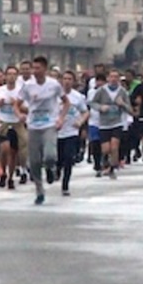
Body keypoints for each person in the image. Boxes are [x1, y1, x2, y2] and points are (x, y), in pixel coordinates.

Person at [16, 56, 66, 204]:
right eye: (34, 68)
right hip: (33, 125)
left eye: (38, 68)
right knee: (35, 162)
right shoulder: (28, 86)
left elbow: (66, 102)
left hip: (49, 124)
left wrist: (61, 118)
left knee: (50, 155)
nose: (35, 71)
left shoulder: (54, 84)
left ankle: (51, 168)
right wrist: (20, 115)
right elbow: (16, 104)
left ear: (45, 69)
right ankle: (39, 190)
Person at [91, 69, 132, 180]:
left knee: (114, 146)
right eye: (111, 77)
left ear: (119, 79)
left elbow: (130, 109)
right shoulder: (101, 90)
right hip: (104, 123)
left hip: (117, 123)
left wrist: (122, 104)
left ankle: (113, 168)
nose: (114, 79)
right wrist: (100, 107)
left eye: (116, 77)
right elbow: (92, 103)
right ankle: (105, 161)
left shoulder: (122, 91)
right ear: (108, 78)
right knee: (106, 149)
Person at [56, 71, 89, 196]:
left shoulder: (78, 97)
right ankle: (57, 169)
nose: (67, 81)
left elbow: (85, 112)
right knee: (58, 157)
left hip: (72, 131)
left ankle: (65, 184)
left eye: (70, 79)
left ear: (73, 81)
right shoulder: (56, 95)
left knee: (69, 157)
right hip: (57, 131)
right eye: (64, 78)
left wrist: (80, 122)